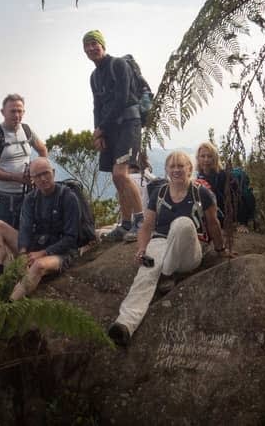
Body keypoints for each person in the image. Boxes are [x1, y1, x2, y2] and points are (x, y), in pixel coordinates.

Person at [107, 150, 233, 347]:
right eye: (172, 166)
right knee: (145, 276)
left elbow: (213, 223)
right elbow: (147, 225)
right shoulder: (160, 193)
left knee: (182, 224)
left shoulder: (201, 193)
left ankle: (166, 272)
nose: (176, 170)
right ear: (166, 169)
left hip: (189, 251)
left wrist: (221, 249)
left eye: (181, 166)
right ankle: (124, 324)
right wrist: (141, 249)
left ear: (189, 169)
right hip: (160, 243)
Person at [0, 157, 81, 300]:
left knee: (38, 265)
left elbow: (71, 238)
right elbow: (25, 229)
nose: (43, 179)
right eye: (37, 176)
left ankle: (9, 306)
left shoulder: (68, 198)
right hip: (35, 247)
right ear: (32, 179)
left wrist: (43, 253)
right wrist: (23, 254)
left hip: (61, 252)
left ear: (53, 173)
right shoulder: (30, 199)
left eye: (46, 173)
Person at [82, 30, 144, 241]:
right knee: (116, 178)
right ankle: (126, 224)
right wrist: (98, 132)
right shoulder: (94, 76)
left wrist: (101, 127)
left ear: (102, 45)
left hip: (129, 124)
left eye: (94, 44)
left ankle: (141, 222)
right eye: (87, 45)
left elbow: (122, 99)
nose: (91, 48)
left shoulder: (118, 65)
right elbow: (96, 106)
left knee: (120, 174)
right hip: (110, 130)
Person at [0, 94, 48, 228]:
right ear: (3, 112)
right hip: (2, 198)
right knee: (4, 236)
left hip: (27, 195)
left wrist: (36, 171)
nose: (16, 115)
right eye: (12, 111)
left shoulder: (27, 130)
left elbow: (42, 150)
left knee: (28, 235)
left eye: (20, 111)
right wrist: (16, 177)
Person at [196, 140, 255, 233]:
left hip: (227, 216)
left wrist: (242, 223)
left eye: (209, 156)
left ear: (214, 158)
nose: (206, 159)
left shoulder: (224, 176)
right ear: (198, 158)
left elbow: (238, 198)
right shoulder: (200, 176)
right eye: (203, 156)